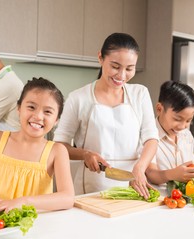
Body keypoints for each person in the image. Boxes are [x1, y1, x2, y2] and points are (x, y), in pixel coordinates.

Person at [53, 33, 159, 199]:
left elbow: (151, 139)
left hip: (133, 185)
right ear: (100, 58)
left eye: (129, 69)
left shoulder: (140, 94)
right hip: (91, 189)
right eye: (115, 66)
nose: (122, 76)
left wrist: (140, 167)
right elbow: (59, 146)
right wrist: (85, 154)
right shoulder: (78, 98)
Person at [0, 77, 75, 217]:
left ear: (56, 120)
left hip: (35, 226)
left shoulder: (57, 151)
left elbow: (68, 198)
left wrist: (23, 202)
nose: (38, 116)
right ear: (19, 108)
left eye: (48, 112)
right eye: (31, 107)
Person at [145, 80, 194, 185]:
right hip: (159, 198)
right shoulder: (148, 135)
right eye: (177, 119)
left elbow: (192, 163)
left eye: (188, 120)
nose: (183, 126)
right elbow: (151, 173)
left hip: (182, 198)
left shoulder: (186, 135)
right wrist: (173, 175)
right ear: (159, 109)